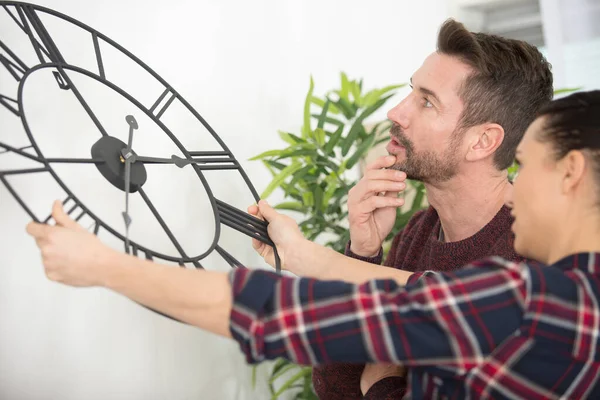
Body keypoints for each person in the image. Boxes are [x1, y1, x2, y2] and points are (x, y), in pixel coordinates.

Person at [27, 90, 600, 399]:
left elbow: (282, 317)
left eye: (527, 169)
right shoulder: (424, 239)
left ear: (571, 171)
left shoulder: (539, 302)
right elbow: (362, 358)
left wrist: (101, 264)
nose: (514, 193)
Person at [249, 18, 553, 399]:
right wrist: (363, 252)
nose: (396, 112)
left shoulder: (545, 254)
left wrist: (382, 382)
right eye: (411, 92)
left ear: (482, 141)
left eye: (426, 101)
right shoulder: (418, 234)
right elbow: (337, 390)